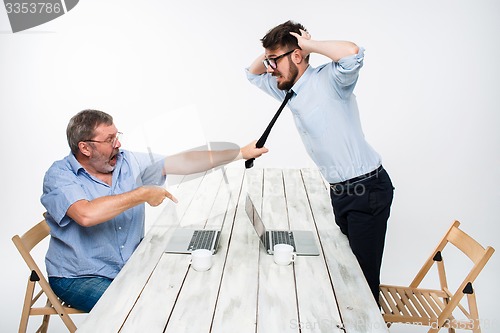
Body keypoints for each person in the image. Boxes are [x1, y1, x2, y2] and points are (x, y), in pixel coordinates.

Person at [41, 109, 268, 312]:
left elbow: (182, 161)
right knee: (141, 310)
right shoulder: (60, 175)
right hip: (79, 276)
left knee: (186, 293)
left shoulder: (127, 161)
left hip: (128, 265)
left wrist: (240, 153)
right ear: (85, 147)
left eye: (117, 136)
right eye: (110, 139)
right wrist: (141, 194)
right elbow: (86, 214)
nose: (117, 144)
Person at [246, 20, 394, 304]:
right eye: (269, 60)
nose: (270, 67)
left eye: (274, 60)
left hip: (368, 190)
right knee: (349, 272)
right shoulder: (286, 87)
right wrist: (271, 56)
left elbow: (352, 52)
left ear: (298, 56)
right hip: (341, 191)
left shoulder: (331, 80)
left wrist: (308, 45)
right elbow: (251, 75)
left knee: (362, 282)